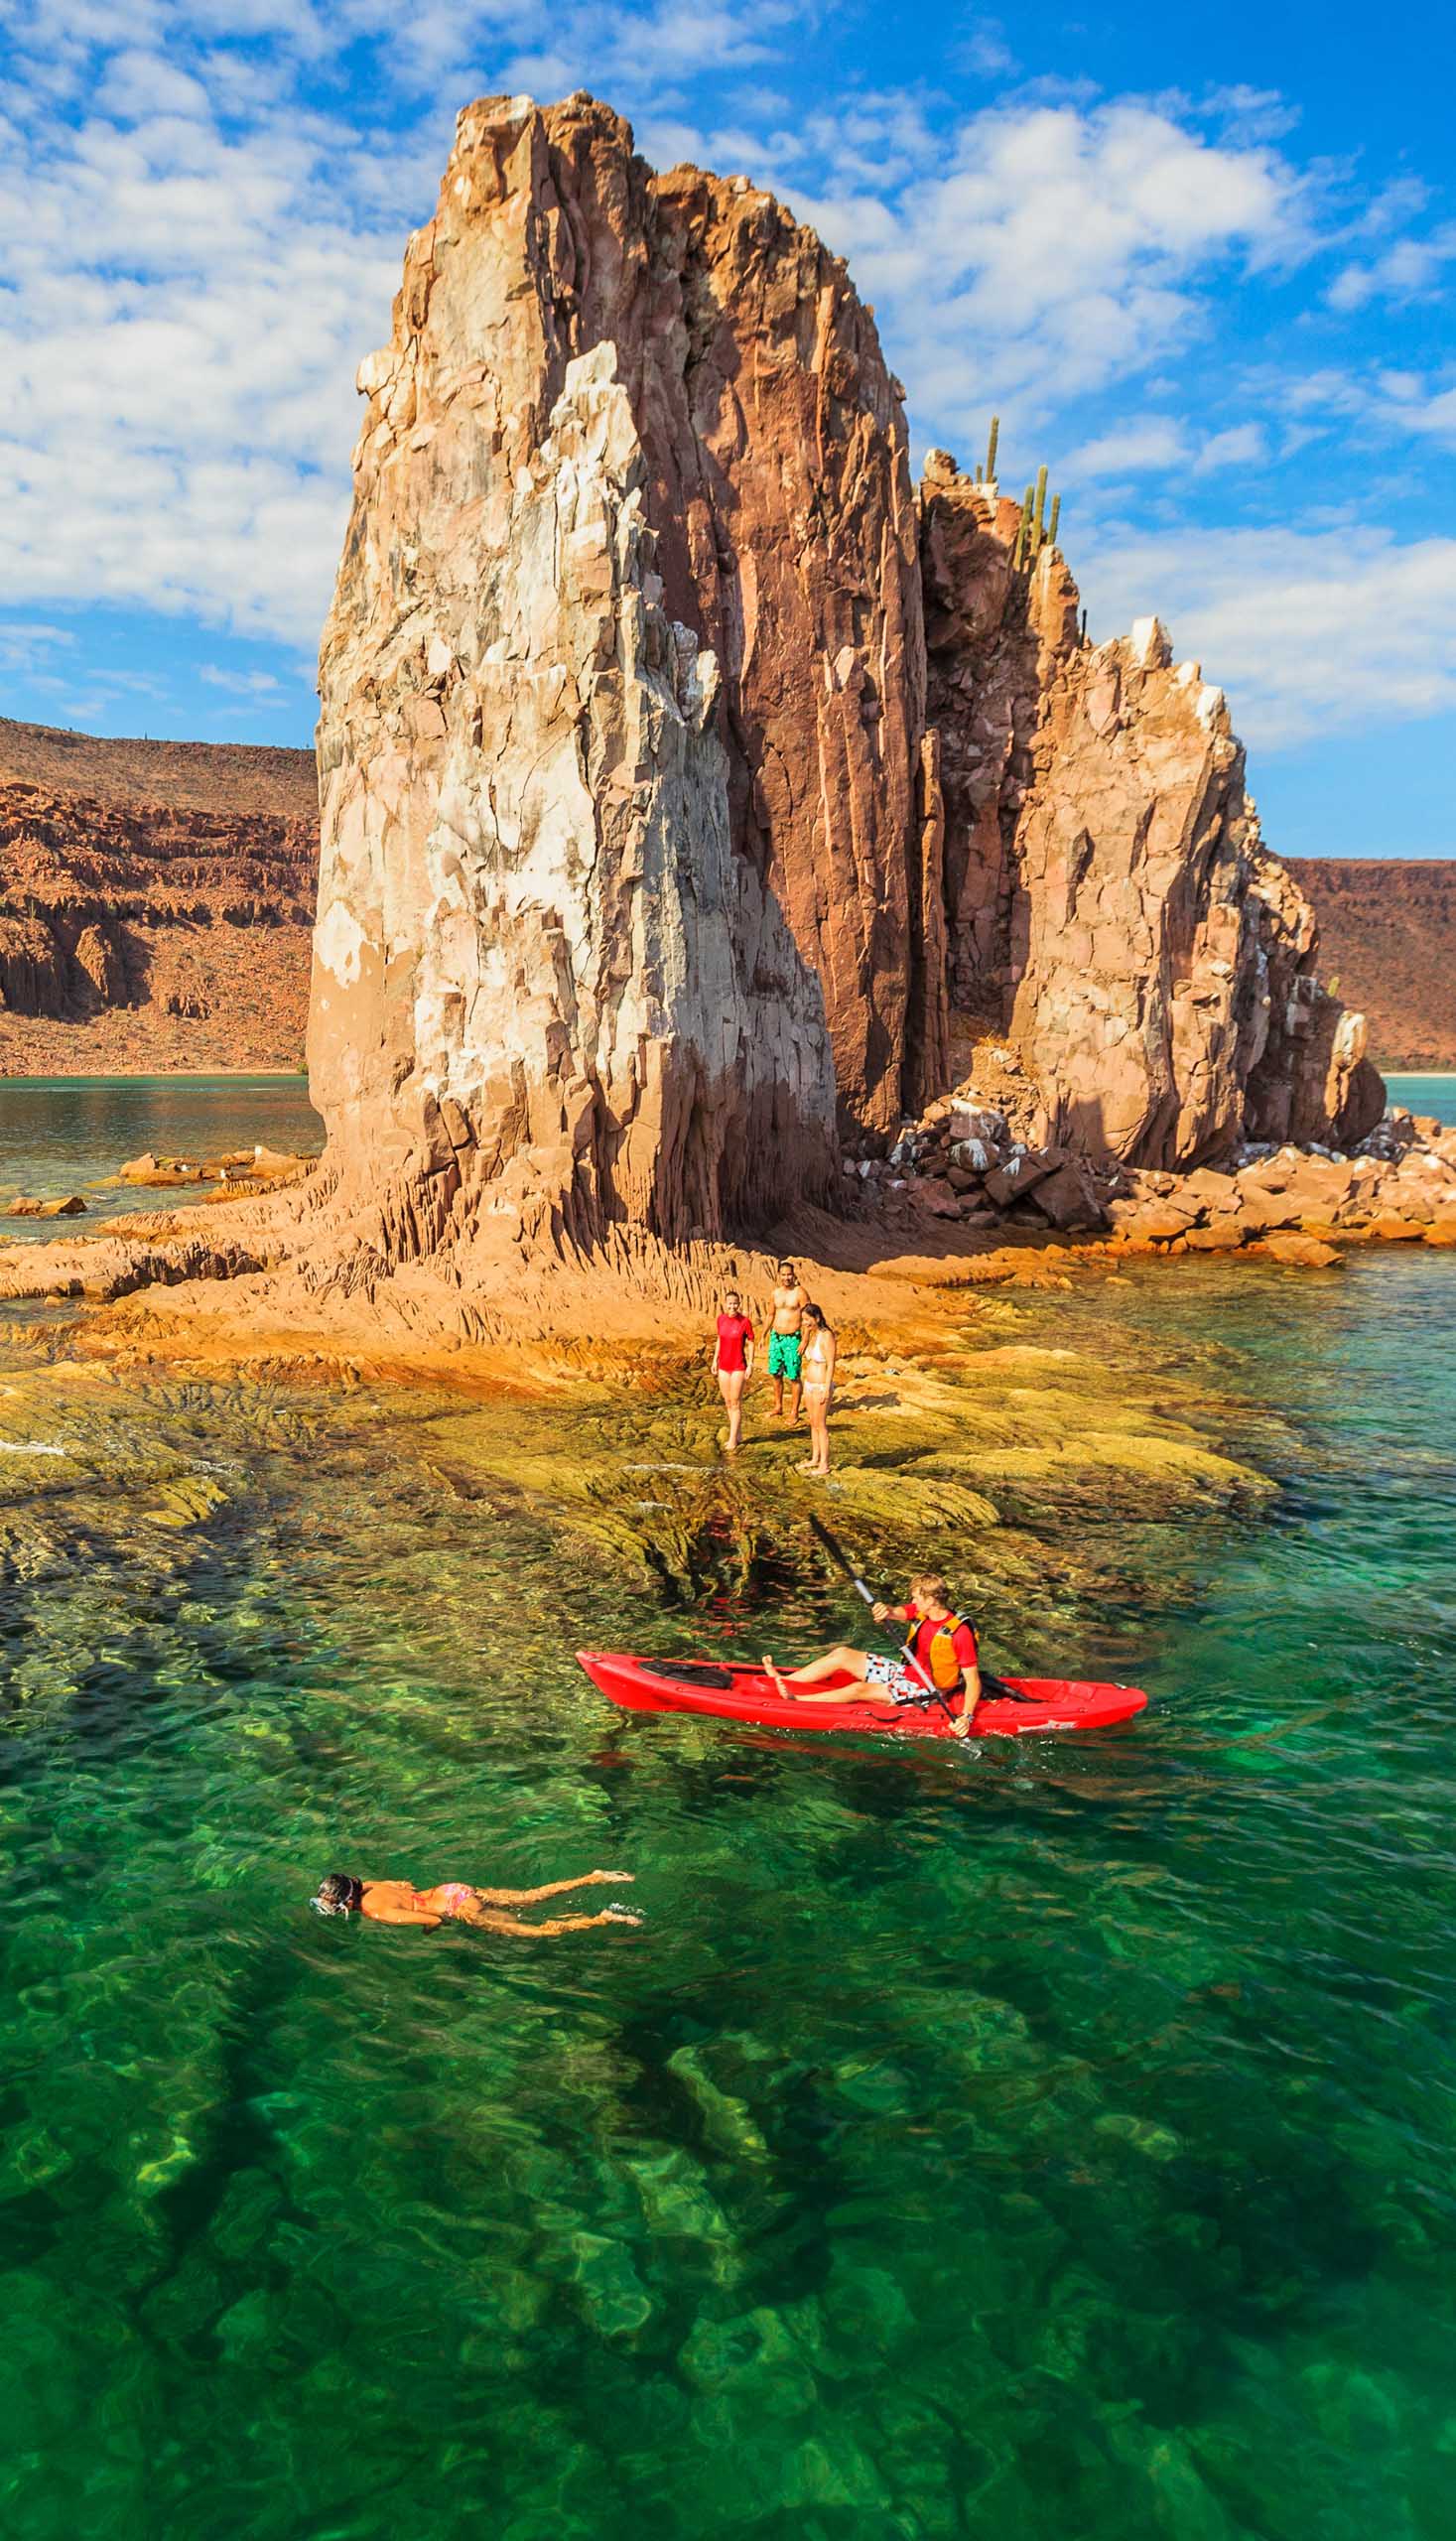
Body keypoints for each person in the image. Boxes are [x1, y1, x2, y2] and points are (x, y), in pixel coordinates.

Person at [761, 1573, 981, 1737]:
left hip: (929, 1689)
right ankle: (784, 1681)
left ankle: (797, 1701)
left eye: (916, 1598)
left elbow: (972, 1680)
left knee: (858, 1690)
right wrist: (884, 1610)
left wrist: (966, 1716)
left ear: (932, 1599)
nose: (913, 1602)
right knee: (842, 1653)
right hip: (907, 1672)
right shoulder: (923, 1612)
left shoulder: (959, 1633)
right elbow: (897, 1611)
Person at [311, 1867, 641, 1936]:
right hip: (454, 1889)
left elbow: (434, 1920)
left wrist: (427, 1933)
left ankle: (603, 1918)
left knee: (539, 1931)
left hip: (454, 1909)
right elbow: (406, 1885)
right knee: (530, 1897)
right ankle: (592, 1877)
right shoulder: (371, 1885)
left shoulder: (374, 1910)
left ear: (347, 1901)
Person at [711, 1284, 755, 1455]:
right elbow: (719, 1340)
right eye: (729, 1304)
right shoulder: (721, 1319)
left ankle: (732, 1440)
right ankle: (738, 1433)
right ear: (725, 1304)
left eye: (735, 1304)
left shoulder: (745, 1322)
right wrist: (715, 1360)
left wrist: (750, 1364)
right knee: (728, 1402)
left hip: (738, 1366)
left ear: (739, 1304)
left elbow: (751, 1342)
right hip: (723, 1366)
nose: (732, 1307)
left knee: (735, 1403)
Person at [796, 1300, 836, 1478]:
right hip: (810, 1385)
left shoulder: (827, 1335)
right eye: (803, 1320)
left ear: (817, 1318)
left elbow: (831, 1363)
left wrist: (827, 1388)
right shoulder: (811, 1334)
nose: (804, 1323)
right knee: (813, 1423)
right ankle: (814, 1458)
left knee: (821, 1425)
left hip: (821, 1385)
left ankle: (824, 1464)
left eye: (807, 1320)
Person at [767, 1260, 806, 1422]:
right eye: (783, 1274)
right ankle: (778, 1406)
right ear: (779, 1275)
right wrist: (763, 1335)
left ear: (794, 1275)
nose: (786, 1277)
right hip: (776, 1337)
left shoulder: (799, 1292)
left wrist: (804, 1341)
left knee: (794, 1376)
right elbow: (770, 1315)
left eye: (789, 1274)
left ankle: (794, 1412)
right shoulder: (775, 1293)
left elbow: (807, 1318)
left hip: (793, 1339)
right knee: (776, 1374)